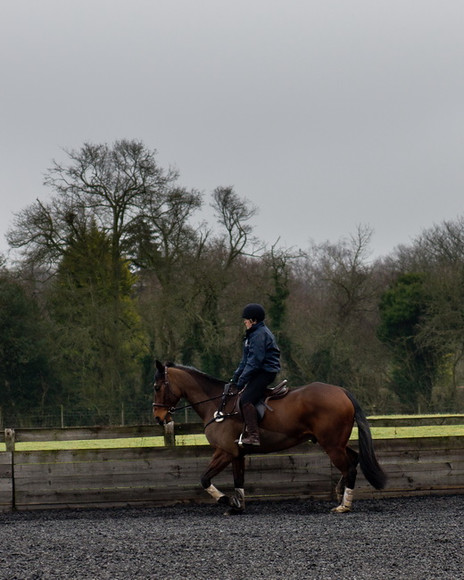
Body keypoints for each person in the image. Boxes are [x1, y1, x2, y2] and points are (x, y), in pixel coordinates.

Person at [231, 303, 281, 446]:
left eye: (246, 319)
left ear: (254, 320)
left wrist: (242, 380)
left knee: (245, 400)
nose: (244, 322)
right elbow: (245, 360)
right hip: (259, 371)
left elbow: (255, 361)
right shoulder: (252, 335)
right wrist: (236, 377)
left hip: (265, 372)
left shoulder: (259, 335)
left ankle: (254, 436)